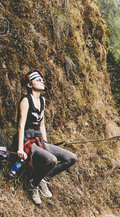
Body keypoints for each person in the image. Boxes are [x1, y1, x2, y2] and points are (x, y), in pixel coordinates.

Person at [15, 69, 77, 205]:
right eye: (38, 80)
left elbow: (42, 124)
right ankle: (33, 185)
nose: (42, 81)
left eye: (42, 80)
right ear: (30, 84)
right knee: (51, 160)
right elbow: (21, 125)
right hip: (27, 141)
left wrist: (45, 143)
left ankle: (44, 178)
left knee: (71, 158)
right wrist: (20, 149)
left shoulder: (42, 100)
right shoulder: (26, 100)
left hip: (39, 140)